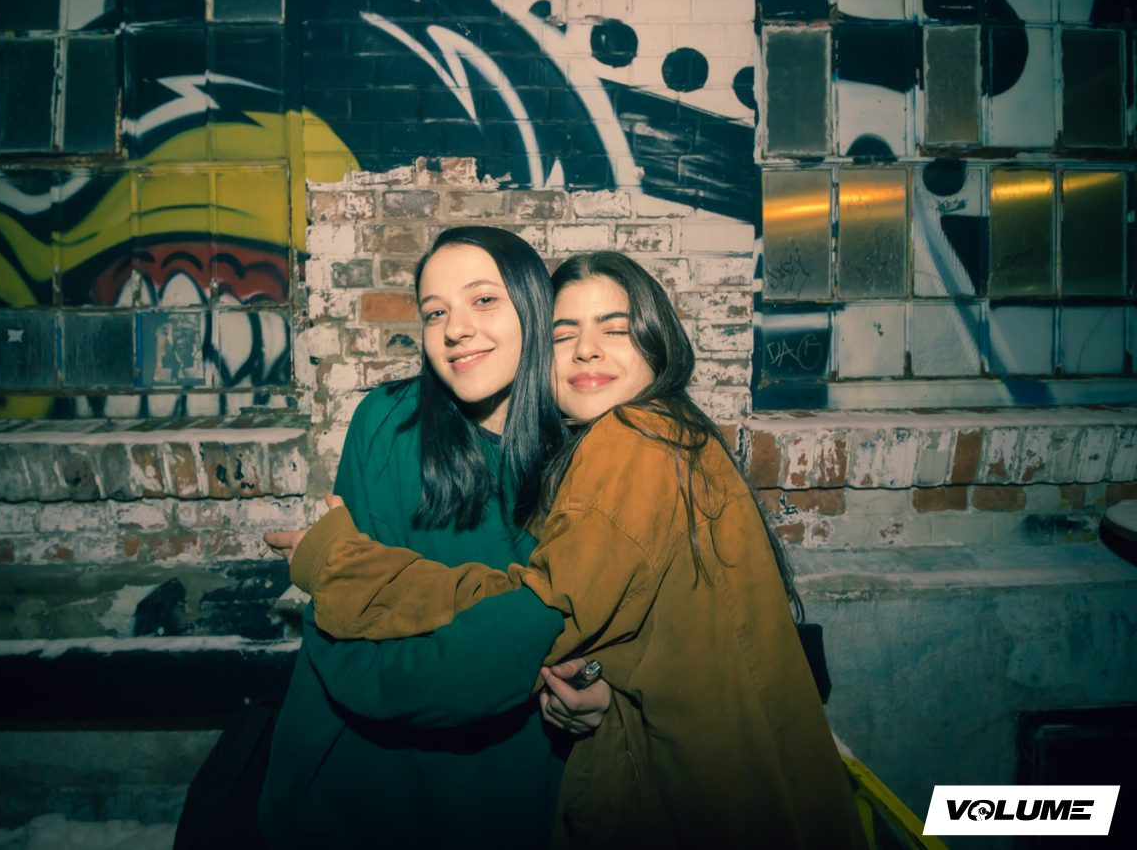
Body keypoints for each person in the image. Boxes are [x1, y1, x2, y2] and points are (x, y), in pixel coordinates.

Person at [281, 252, 868, 848]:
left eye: (615, 330)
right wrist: (594, 683)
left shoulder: (635, 441)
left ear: (657, 342)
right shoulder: (649, 439)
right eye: (564, 335)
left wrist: (340, 564)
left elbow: (530, 618)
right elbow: (622, 631)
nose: (586, 350)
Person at [256, 227, 610, 850]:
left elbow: (594, 636)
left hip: (512, 792)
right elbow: (344, 636)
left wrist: (597, 689)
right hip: (362, 785)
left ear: (533, 309)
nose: (455, 329)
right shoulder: (387, 422)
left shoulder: (594, 456)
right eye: (435, 312)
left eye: (483, 300)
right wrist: (521, 653)